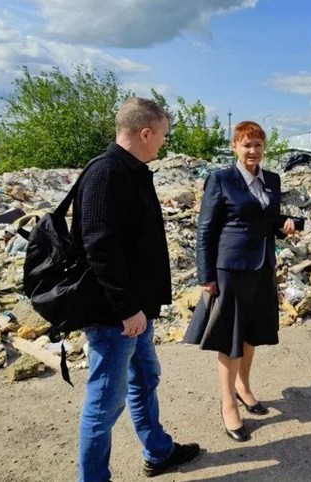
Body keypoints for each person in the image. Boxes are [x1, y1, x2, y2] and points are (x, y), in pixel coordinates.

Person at [73, 98, 200, 481]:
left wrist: (140, 309)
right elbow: (99, 245)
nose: (164, 143)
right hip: (117, 316)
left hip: (137, 313)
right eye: (162, 135)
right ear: (145, 133)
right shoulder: (108, 173)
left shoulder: (133, 171)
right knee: (103, 404)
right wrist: (127, 309)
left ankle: (158, 451)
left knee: (145, 379)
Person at [189, 121, 298, 442]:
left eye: (258, 146)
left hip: (262, 267)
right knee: (230, 338)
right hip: (230, 269)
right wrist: (205, 276)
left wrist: (286, 225)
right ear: (235, 147)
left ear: (265, 149)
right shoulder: (221, 180)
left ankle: (243, 387)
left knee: (251, 334)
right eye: (246, 145)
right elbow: (205, 231)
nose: (253, 151)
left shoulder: (272, 181)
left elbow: (268, 221)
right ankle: (227, 405)